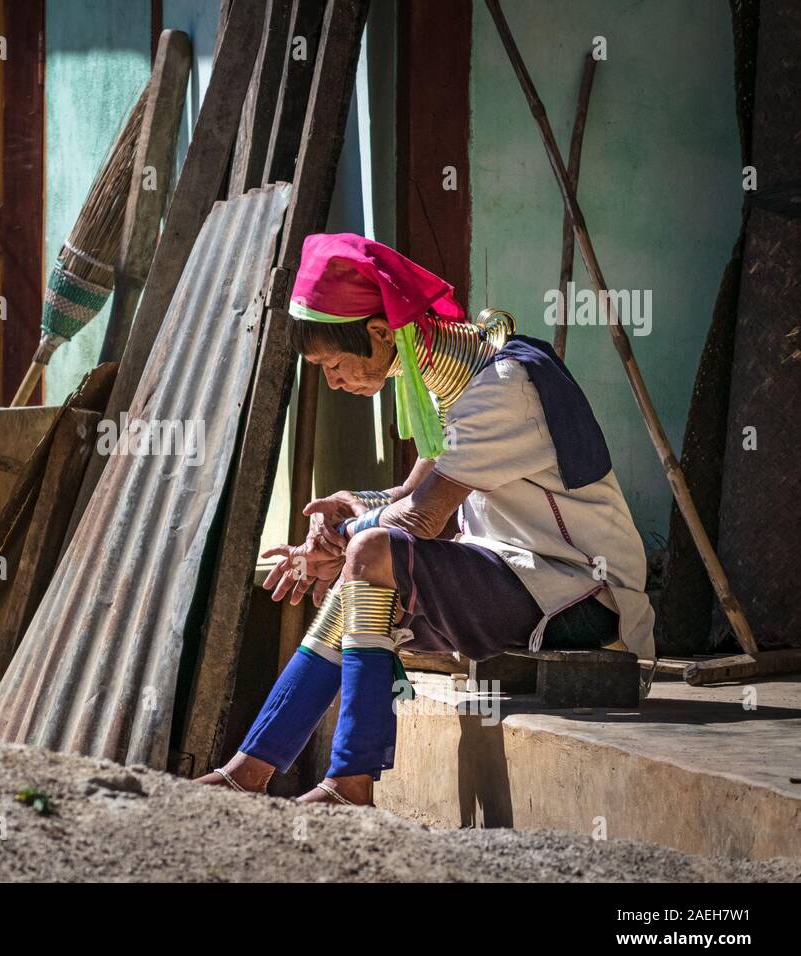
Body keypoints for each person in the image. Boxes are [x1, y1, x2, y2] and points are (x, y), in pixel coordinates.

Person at [195, 234, 654, 806]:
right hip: (521, 576)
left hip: (583, 595)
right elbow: (407, 494)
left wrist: (341, 541)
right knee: (362, 576)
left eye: (335, 364)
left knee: (368, 560)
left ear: (381, 334)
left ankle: (343, 780)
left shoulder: (502, 390)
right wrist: (350, 504)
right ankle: (257, 771)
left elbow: (422, 517)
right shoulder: (462, 378)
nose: (334, 382)